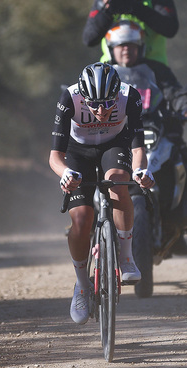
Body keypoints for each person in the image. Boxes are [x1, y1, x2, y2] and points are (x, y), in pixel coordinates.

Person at [49, 62, 154, 325]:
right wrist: (65, 173)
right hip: (78, 152)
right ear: (83, 97)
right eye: (93, 104)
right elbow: (55, 156)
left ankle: (127, 258)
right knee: (82, 220)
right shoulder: (69, 98)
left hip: (114, 145)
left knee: (118, 182)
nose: (101, 111)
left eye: (108, 103)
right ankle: (82, 286)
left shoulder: (130, 96)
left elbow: (139, 147)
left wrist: (141, 171)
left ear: (116, 93)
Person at [105, 20, 187, 255]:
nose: (125, 49)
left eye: (131, 44)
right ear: (111, 49)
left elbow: (174, 91)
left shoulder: (157, 70)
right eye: (120, 45)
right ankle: (85, 220)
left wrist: (186, 107)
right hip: (113, 135)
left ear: (141, 47)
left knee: (185, 160)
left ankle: (178, 223)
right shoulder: (102, 72)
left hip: (153, 128)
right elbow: (84, 94)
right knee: (86, 165)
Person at [82, 0, 179, 65]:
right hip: (112, 69)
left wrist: (135, 7)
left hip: (153, 72)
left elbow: (170, 29)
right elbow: (89, 39)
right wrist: (107, 11)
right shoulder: (105, 1)